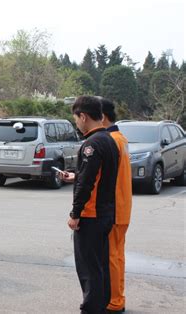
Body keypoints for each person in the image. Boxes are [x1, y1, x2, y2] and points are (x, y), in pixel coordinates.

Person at [61, 96, 119, 314]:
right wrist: (76, 176)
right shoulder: (110, 139)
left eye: (76, 118)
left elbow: (87, 183)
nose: (76, 122)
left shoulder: (91, 144)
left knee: (88, 269)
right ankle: (101, 306)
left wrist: (75, 213)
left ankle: (91, 308)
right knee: (100, 265)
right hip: (105, 213)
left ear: (83, 116)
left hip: (91, 215)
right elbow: (95, 176)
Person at [100, 98, 132, 314]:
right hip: (122, 206)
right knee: (117, 254)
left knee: (112, 256)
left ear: (101, 117)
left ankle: (115, 302)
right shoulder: (120, 138)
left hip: (115, 208)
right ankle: (116, 298)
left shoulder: (112, 140)